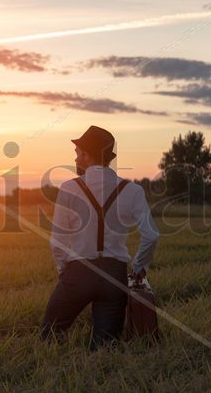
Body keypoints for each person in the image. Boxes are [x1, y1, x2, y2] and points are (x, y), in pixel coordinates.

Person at [40, 125, 159, 350]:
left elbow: (57, 240)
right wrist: (138, 266)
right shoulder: (132, 191)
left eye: (77, 152)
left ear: (86, 155)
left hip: (78, 271)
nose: (75, 157)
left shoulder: (68, 188)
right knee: (104, 348)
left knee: (50, 335)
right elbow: (151, 235)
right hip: (115, 276)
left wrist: (64, 269)